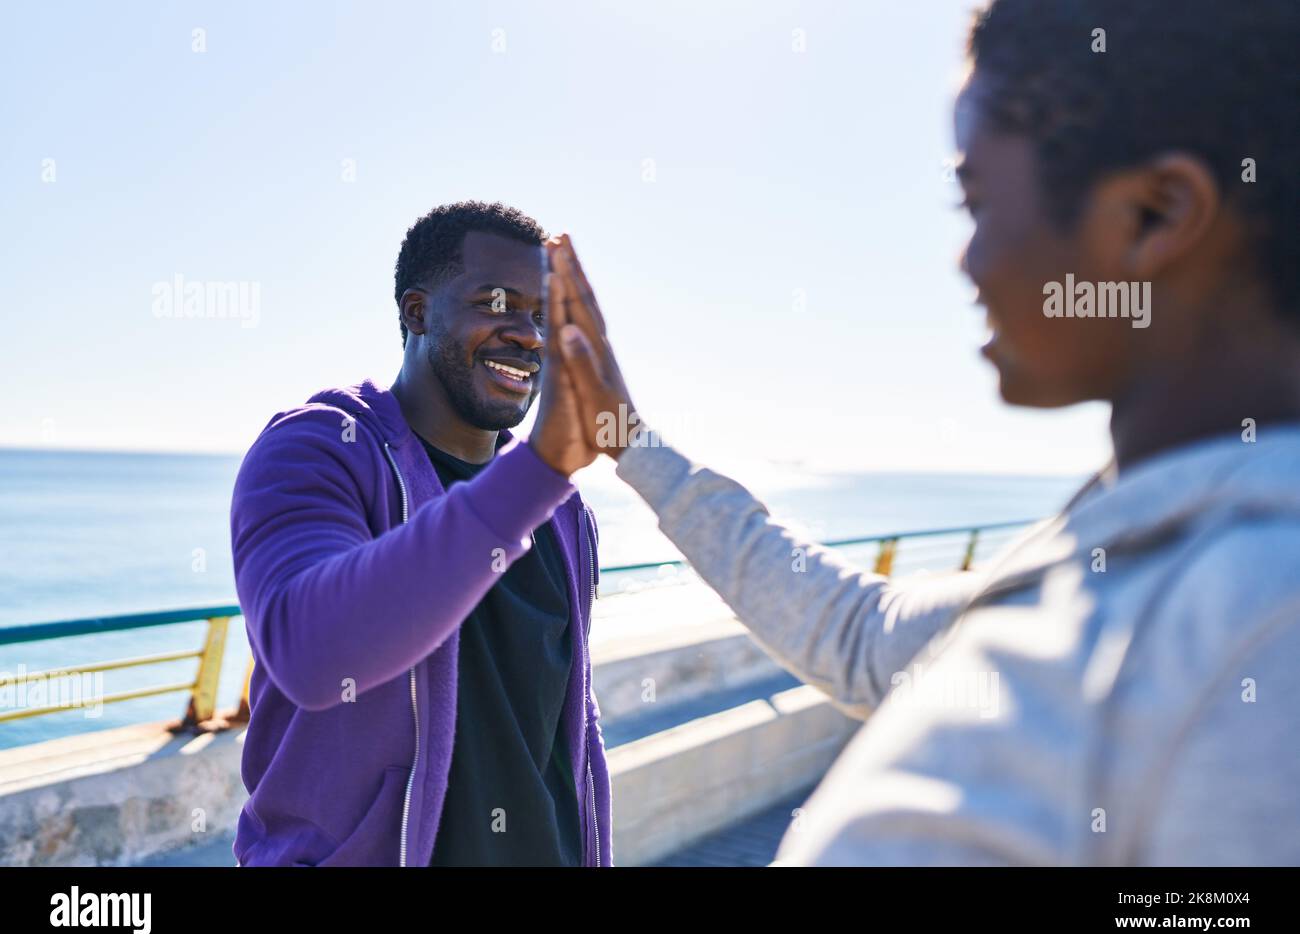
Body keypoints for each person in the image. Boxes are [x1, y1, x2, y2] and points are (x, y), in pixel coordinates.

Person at [545, 0, 1300, 864]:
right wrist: (628, 439)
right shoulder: (1118, 543)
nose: (965, 261)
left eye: (972, 200)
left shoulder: (1263, 627)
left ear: (1153, 217)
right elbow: (865, 638)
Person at [229, 201, 611, 866]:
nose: (528, 335)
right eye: (498, 302)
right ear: (417, 312)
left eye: (542, 314)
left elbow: (567, 732)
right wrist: (541, 468)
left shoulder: (563, 510)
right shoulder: (320, 447)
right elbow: (313, 654)